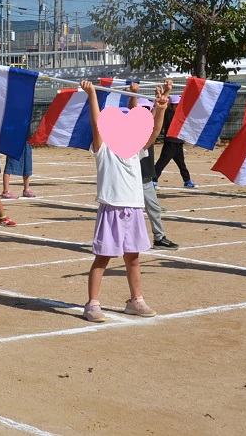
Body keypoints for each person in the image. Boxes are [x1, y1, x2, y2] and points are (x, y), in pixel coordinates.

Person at [81, 80, 169, 323]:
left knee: (133, 258)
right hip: (111, 209)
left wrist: (160, 109)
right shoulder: (103, 149)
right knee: (103, 258)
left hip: (134, 210)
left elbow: (154, 131)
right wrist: (92, 94)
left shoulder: (136, 149)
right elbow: (96, 123)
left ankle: (135, 301)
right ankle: (92, 304)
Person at [128, 86, 179, 250]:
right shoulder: (132, 131)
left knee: (154, 208)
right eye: (141, 109)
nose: (145, 112)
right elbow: (134, 110)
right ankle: (123, 238)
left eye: (147, 109)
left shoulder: (148, 128)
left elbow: (157, 113)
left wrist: (165, 94)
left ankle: (159, 238)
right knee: (127, 210)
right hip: (130, 178)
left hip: (145, 177)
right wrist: (134, 94)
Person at [153, 81, 196, 189]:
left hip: (179, 143)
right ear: (171, 106)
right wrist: (162, 92)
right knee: (162, 163)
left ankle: (187, 181)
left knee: (182, 164)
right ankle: (153, 180)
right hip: (170, 143)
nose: (178, 107)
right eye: (176, 105)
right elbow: (162, 103)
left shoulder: (180, 115)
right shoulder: (167, 113)